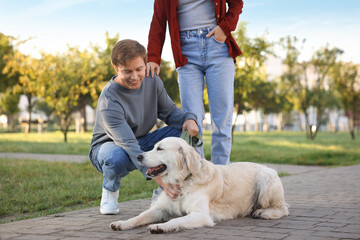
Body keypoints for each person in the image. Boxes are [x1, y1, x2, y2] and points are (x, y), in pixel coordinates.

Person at [89, 39, 199, 215]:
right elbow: (129, 145)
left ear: (145, 64)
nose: (134, 77)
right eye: (127, 71)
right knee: (116, 157)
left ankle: (171, 192)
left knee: (185, 130)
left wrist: (190, 119)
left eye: (139, 69)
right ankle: (110, 189)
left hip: (141, 141)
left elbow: (170, 113)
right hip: (110, 147)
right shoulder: (109, 99)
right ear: (115, 67)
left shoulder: (152, 81)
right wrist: (161, 180)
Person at [146, 0, 244, 165]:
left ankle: (222, 177)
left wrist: (225, 28)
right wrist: (153, 57)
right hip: (185, 51)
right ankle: (197, 177)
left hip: (217, 46)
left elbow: (237, 3)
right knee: (192, 122)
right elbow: (158, 21)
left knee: (221, 121)